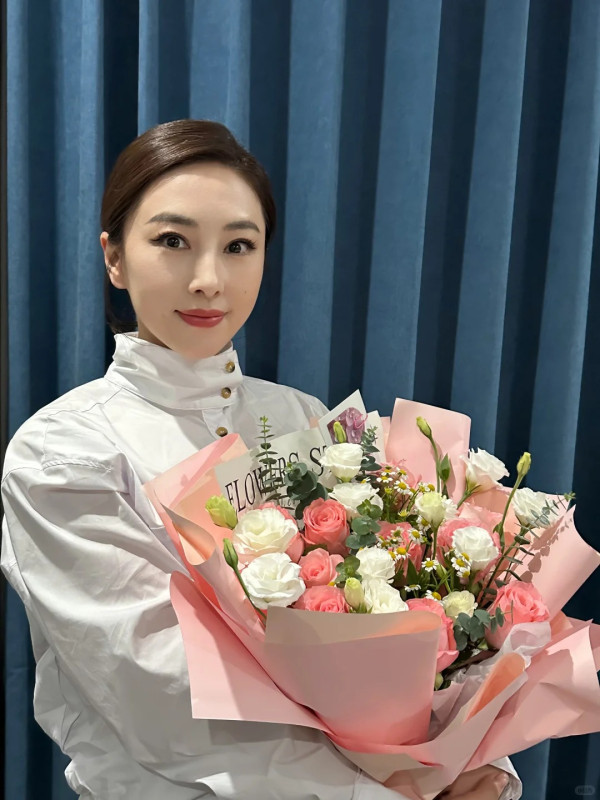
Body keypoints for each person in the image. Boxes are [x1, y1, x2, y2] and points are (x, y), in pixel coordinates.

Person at [1, 120, 521, 800]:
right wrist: (391, 790)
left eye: (239, 245)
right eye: (172, 241)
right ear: (114, 258)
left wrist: (469, 757)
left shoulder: (303, 415)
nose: (208, 279)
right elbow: (155, 686)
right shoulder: (63, 451)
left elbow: (413, 624)